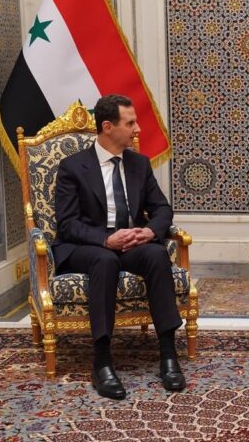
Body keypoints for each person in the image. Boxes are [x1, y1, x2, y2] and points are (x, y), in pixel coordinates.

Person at [53, 94, 185, 400]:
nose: (138, 129)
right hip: (89, 245)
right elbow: (68, 224)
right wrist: (105, 239)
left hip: (131, 242)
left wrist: (149, 232)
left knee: (156, 254)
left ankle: (168, 355)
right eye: (131, 123)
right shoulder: (73, 167)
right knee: (105, 260)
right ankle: (102, 362)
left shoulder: (139, 163)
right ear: (108, 127)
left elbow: (162, 208)